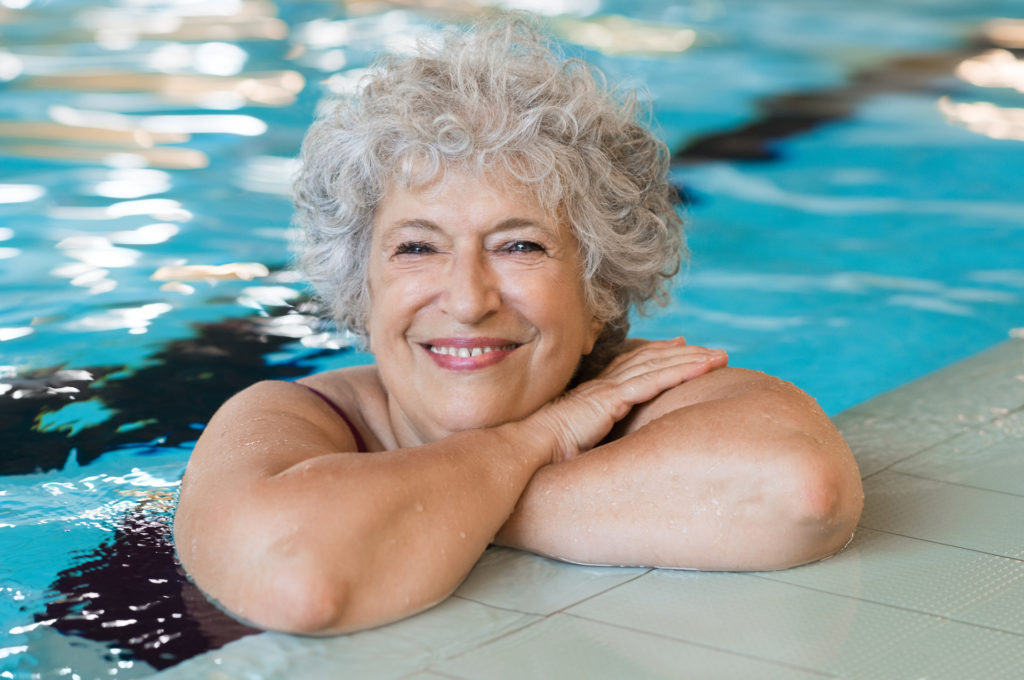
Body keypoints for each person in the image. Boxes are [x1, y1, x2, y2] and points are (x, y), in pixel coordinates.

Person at [173, 14, 863, 636]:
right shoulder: (293, 415)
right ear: (364, 288)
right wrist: (538, 438)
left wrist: (433, 511)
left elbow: (798, 494)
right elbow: (301, 580)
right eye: (417, 247)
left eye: (519, 246)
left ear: (597, 288)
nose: (469, 300)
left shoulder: (648, 387)